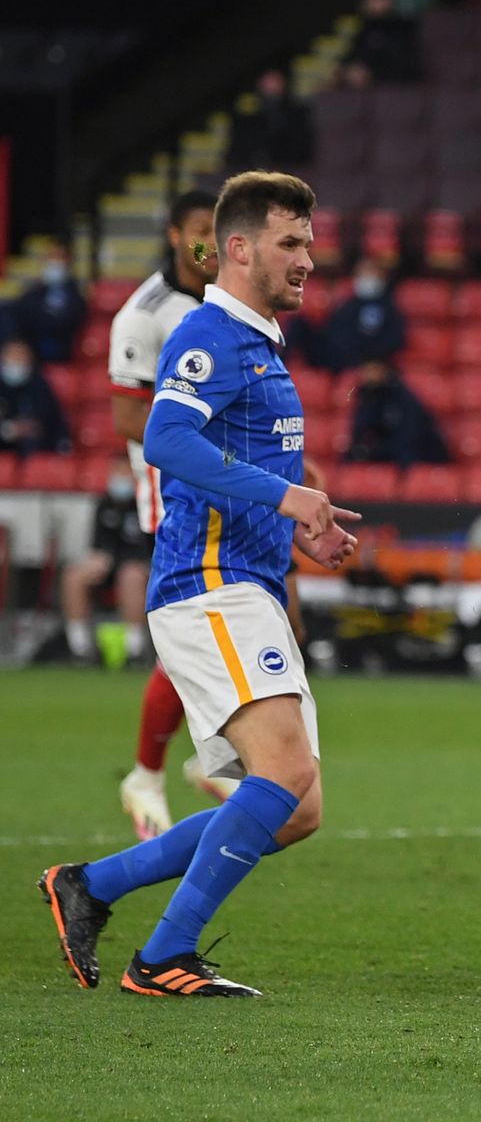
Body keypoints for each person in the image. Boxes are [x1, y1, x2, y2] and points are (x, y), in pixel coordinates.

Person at [39, 170, 359, 999]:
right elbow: (167, 443)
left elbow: (237, 464)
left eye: (311, 244)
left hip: (246, 580)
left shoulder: (256, 343)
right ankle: (164, 956)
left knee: (296, 807)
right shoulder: (208, 336)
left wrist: (297, 528)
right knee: (282, 777)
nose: (308, 261)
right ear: (240, 247)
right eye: (292, 243)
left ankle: (91, 885)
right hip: (209, 584)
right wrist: (290, 496)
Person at [107, 188, 240, 840]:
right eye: (199, 232)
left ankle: (206, 756)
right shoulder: (145, 315)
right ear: (172, 234)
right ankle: (147, 773)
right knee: (193, 625)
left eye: (219, 231)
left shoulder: (230, 302)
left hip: (234, 484)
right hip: (175, 489)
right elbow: (130, 416)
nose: (211, 245)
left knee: (232, 614)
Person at [61, 461, 153, 666]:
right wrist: (99, 559)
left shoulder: (144, 504)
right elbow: (97, 545)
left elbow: (148, 547)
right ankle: (80, 649)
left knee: (130, 576)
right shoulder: (103, 505)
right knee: (74, 576)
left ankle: (134, 650)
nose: (120, 480)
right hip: (108, 564)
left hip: (137, 567)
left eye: (124, 473)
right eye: (116, 473)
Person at [306, 258, 406, 372]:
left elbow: (395, 338)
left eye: (370, 272)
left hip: (373, 363)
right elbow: (335, 334)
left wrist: (373, 358)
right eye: (362, 273)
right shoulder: (348, 304)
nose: (366, 277)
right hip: (341, 361)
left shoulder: (389, 306)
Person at [346, 358, 450, 467]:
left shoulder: (403, 398)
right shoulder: (367, 396)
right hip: (388, 454)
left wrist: (373, 452)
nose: (367, 375)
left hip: (420, 456)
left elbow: (408, 437)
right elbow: (360, 429)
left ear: (383, 369)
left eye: (371, 369)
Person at [226, 70, 315, 171]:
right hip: (252, 171)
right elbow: (237, 152)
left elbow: (301, 149)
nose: (271, 89)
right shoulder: (247, 118)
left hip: (288, 169)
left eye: (275, 83)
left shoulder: (297, 115)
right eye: (267, 84)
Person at [11, 253, 88, 363]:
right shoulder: (32, 294)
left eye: (58, 263)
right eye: (51, 263)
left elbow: (71, 321)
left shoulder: (76, 295)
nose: (55, 268)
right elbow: (23, 317)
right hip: (34, 349)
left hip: (65, 352)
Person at [0, 338, 71, 454]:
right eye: (12, 357)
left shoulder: (39, 385)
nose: (15, 361)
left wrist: (25, 428)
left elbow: (50, 421)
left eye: (19, 357)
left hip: (38, 447)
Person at [343, 0, 422, 84]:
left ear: (391, 3)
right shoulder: (360, 29)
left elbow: (402, 60)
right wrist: (350, 69)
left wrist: (371, 73)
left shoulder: (401, 27)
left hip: (392, 84)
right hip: (362, 85)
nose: (378, 4)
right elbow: (352, 54)